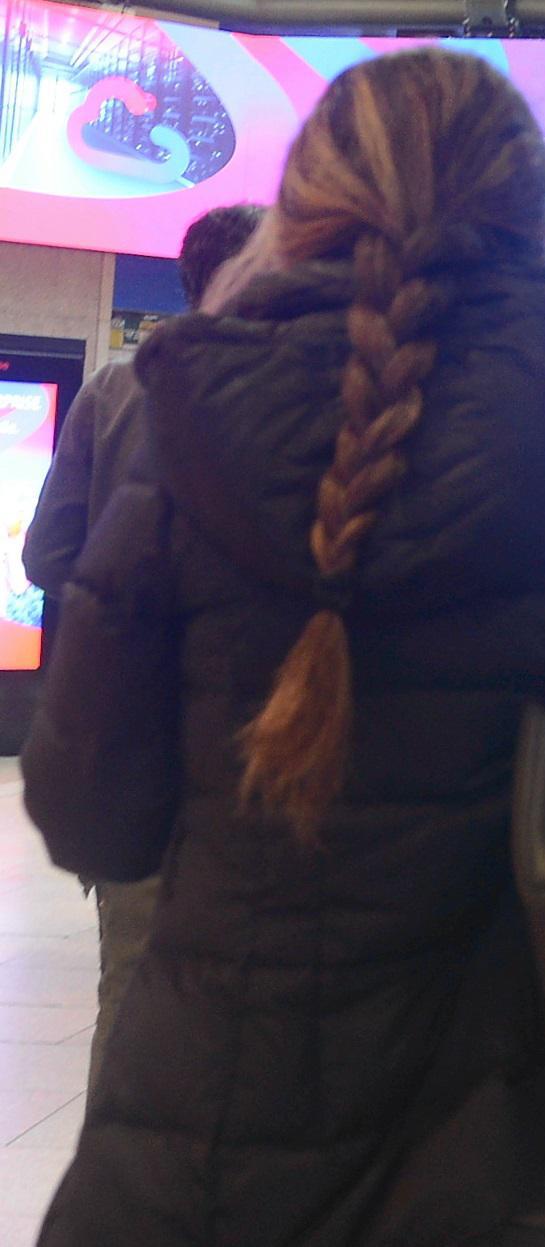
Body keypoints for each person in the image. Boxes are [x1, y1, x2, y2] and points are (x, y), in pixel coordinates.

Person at [20, 49, 545, 1246]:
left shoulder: (179, 452)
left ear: (300, 213)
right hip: (532, 1154)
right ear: (538, 218)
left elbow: (92, 816)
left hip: (208, 1146)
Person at [21, 202, 264, 1095]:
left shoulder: (117, 389)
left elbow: (48, 552)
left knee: (132, 979)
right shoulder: (315, 394)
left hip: (134, 737)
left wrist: (122, 605)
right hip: (269, 743)